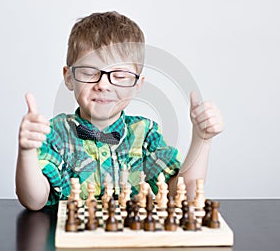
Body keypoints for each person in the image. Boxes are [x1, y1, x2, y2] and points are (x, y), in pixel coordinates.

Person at [16, 11, 223, 210]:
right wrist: (26, 151)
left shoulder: (146, 134)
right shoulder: (55, 134)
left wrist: (201, 140)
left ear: (137, 84)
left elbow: (183, 195)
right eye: (89, 72)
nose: (103, 85)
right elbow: (34, 200)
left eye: (120, 76)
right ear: (69, 78)